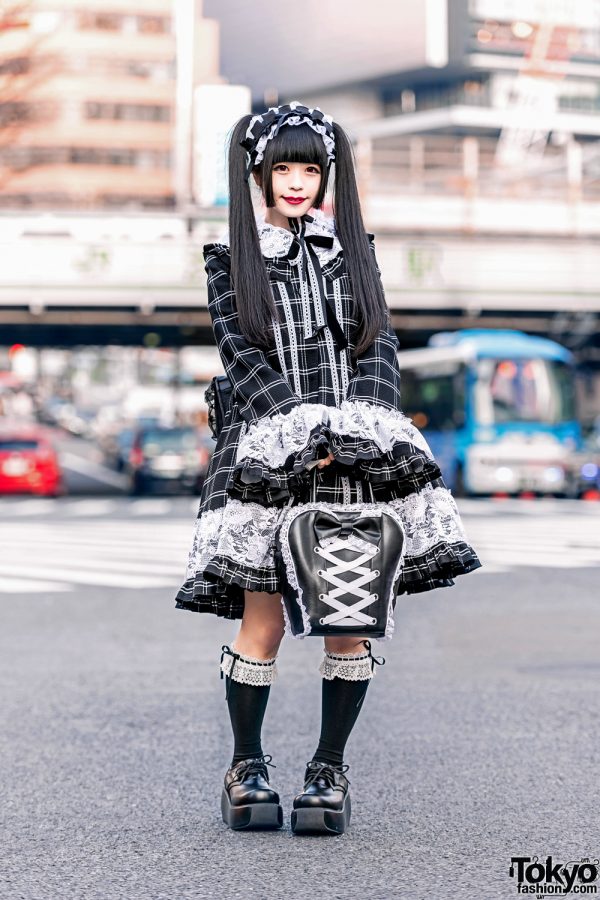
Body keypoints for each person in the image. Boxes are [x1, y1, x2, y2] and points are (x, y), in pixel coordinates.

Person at [174, 101, 482, 835]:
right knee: (265, 623)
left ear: (327, 175)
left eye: (309, 167)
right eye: (282, 167)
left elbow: (378, 346)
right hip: (267, 460)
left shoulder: (356, 255)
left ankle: (328, 771)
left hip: (352, 458)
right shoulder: (231, 263)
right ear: (258, 174)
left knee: (349, 618)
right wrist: (295, 426)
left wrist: (356, 430)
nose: (296, 181)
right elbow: (239, 355)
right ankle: (246, 765)